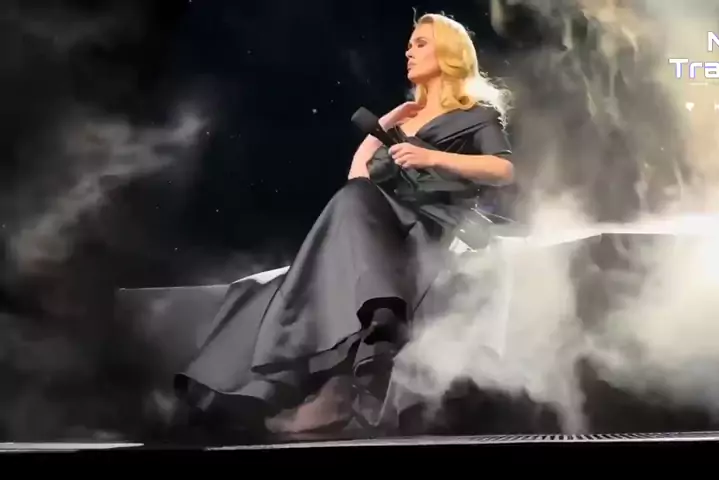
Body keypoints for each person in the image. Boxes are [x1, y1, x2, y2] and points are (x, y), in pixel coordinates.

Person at [173, 13, 516, 438]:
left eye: (421, 43)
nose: (408, 51)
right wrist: (386, 123)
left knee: (347, 211)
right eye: (409, 44)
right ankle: (277, 392)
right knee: (265, 289)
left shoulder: (475, 115)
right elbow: (357, 178)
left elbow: (502, 170)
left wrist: (432, 157)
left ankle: (379, 327)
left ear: (449, 52)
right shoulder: (401, 119)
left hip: (425, 226)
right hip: (371, 223)